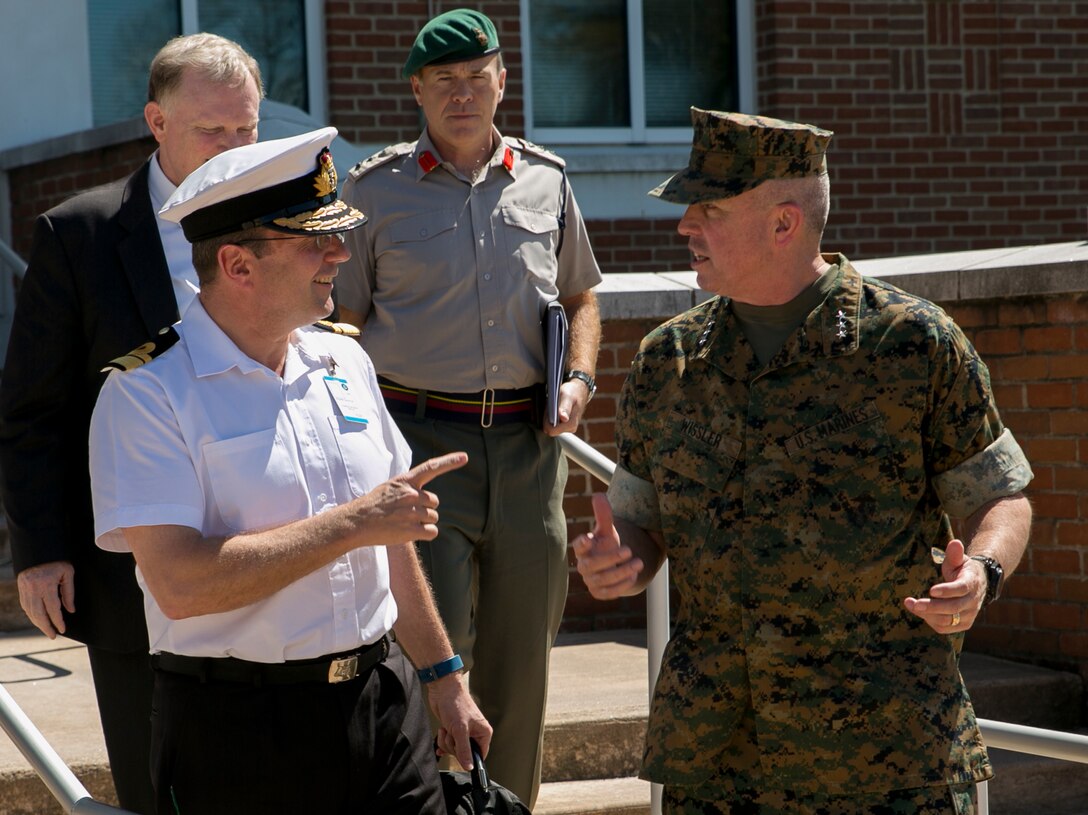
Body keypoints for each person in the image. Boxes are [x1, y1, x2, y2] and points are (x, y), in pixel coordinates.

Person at [573, 108, 1034, 815]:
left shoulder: (911, 342)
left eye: (709, 209)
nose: (683, 226)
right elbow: (642, 523)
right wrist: (623, 557)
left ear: (783, 223)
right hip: (718, 762)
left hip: (883, 755)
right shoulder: (668, 360)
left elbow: (999, 494)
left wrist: (982, 569)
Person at [87, 127, 492, 815]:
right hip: (241, 726)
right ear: (239, 265)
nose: (340, 253)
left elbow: (390, 537)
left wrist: (444, 672)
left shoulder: (345, 362)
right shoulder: (148, 393)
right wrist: (352, 523)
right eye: (315, 240)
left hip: (385, 699)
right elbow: (181, 583)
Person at [336, 8, 603, 807]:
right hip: (418, 444)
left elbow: (584, 295)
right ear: (417, 91)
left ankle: (504, 805)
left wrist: (581, 380)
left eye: (476, 77)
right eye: (443, 82)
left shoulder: (547, 179)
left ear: (502, 81)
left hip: (529, 448)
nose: (462, 95)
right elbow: (341, 322)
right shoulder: (372, 189)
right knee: (433, 656)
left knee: (523, 663)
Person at [0, 33, 262, 813]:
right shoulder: (78, 235)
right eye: (211, 131)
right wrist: (41, 550)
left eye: (246, 130)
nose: (232, 149)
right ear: (157, 120)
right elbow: (31, 411)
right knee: (156, 788)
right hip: (131, 574)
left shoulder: (286, 222)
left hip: (265, 560)